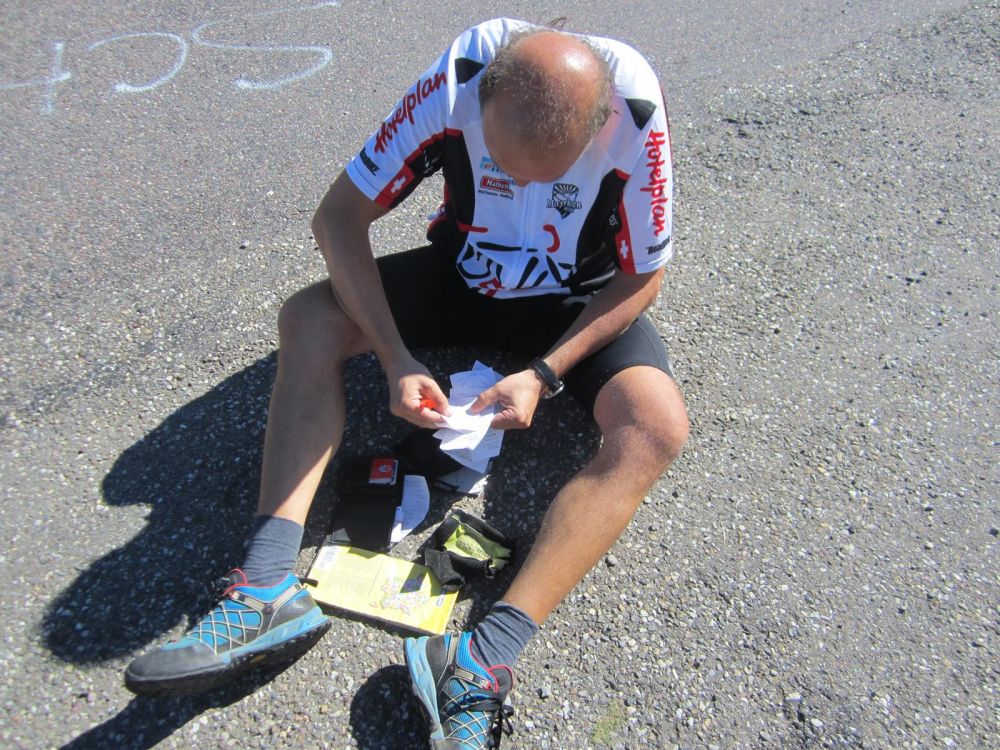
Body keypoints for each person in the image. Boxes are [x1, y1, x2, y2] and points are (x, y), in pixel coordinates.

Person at [125, 17, 688, 749]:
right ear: (480, 105)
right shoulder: (459, 77)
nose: (521, 188)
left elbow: (644, 275)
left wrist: (545, 372)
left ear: (598, 125)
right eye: (504, 168)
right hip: (462, 276)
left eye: (546, 178)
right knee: (308, 320)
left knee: (656, 428)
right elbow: (338, 218)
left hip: (569, 304)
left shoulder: (633, 108)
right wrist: (395, 358)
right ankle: (266, 588)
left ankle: (482, 659)